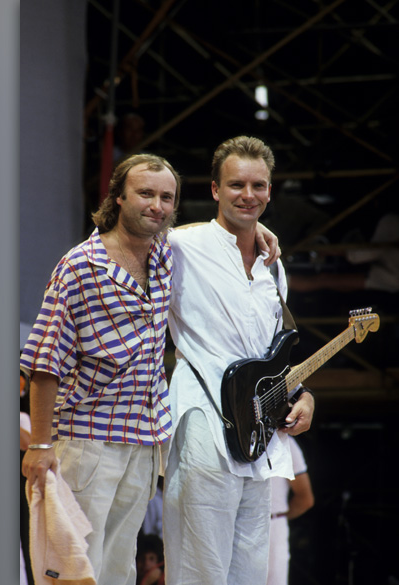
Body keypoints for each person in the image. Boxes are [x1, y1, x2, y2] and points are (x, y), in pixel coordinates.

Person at [20, 153, 279, 585]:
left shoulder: (163, 255)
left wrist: (256, 228)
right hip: (86, 438)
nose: (156, 206)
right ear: (119, 197)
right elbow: (45, 362)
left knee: (120, 570)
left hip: (142, 443)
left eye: (166, 197)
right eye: (145, 193)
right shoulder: (80, 266)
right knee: (72, 571)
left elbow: (205, 233)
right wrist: (41, 444)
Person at [163, 135, 316, 585]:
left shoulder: (274, 266)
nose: (248, 195)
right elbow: (125, 235)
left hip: (259, 435)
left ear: (270, 191)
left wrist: (303, 395)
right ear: (215, 189)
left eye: (258, 186)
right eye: (236, 185)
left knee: (250, 574)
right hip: (205, 424)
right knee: (200, 571)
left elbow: (270, 354)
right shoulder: (181, 246)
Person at [267, 439, 314, 585]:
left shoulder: (285, 442)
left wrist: (280, 519)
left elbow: (305, 498)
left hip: (272, 525)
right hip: (234, 523)